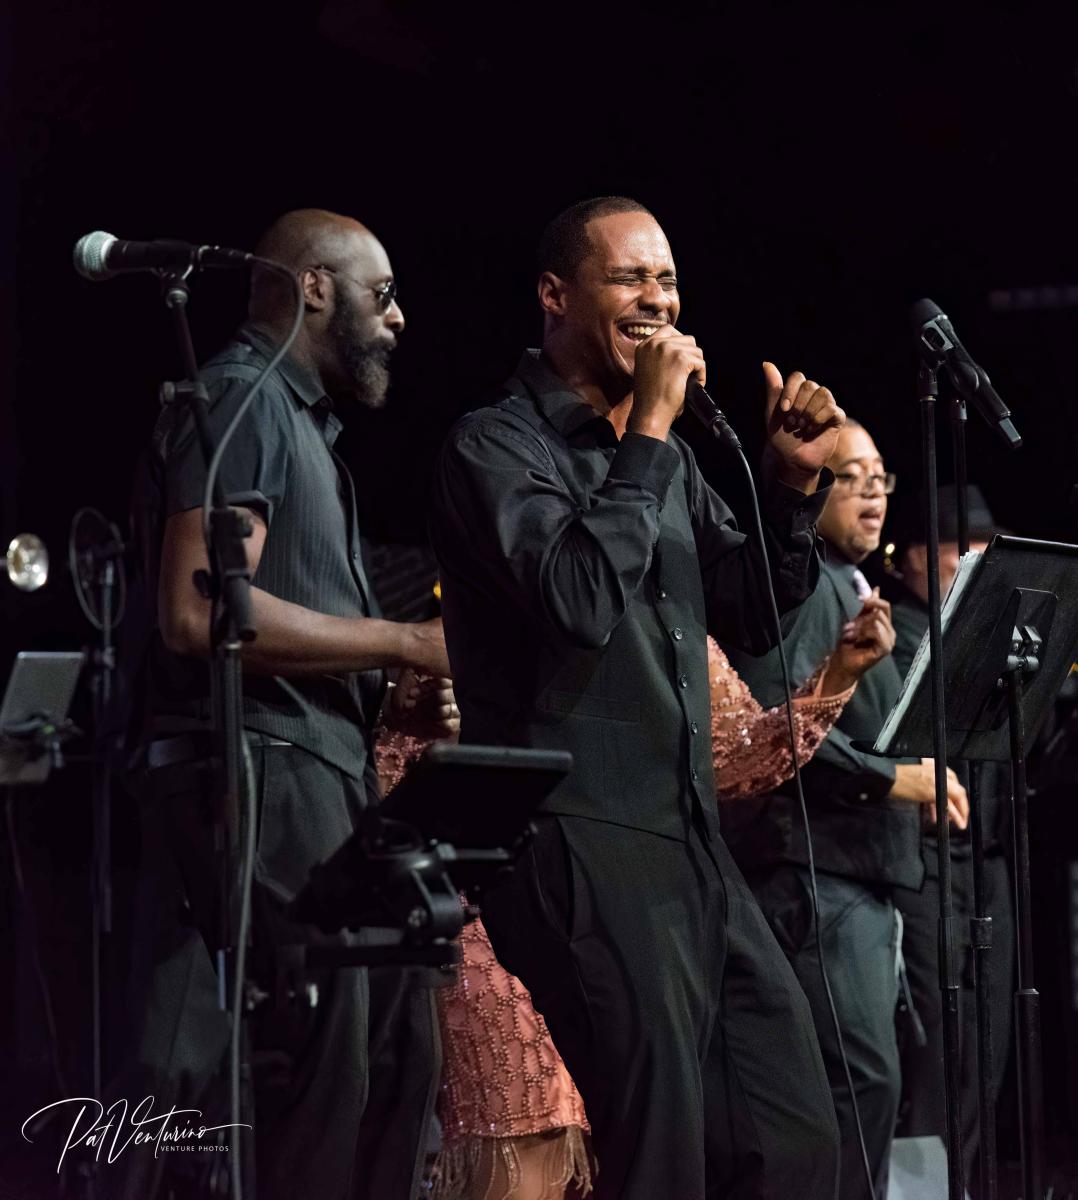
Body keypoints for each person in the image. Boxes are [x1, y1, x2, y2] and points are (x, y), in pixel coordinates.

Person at [429, 194, 846, 1200]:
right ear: (554, 295)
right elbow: (577, 600)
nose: (658, 300)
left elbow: (752, 613)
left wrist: (790, 491)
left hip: (686, 835)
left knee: (792, 1132)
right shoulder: (494, 447)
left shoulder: (662, 462)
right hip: (575, 833)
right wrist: (651, 430)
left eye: (667, 280)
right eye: (629, 278)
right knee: (660, 1144)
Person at [119, 208, 454, 1200]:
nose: (399, 318)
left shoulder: (297, 423)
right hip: (266, 769)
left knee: (397, 1045)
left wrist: (388, 690)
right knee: (324, 1064)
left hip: (318, 774)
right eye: (381, 294)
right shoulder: (243, 397)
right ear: (314, 287)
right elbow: (198, 614)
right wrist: (401, 640)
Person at [378, 610, 894, 1200]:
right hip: (501, 914)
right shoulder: (501, 594)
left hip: (639, 924)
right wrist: (406, 713)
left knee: (638, 1151)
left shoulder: (666, 615)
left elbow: (734, 752)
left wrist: (838, 672)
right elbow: (395, 778)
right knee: (532, 1148)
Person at [721, 419, 971, 1200]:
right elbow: (775, 724)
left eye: (879, 477)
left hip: (854, 872)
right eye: (850, 477)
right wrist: (891, 781)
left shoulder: (853, 585)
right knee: (856, 1083)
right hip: (814, 871)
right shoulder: (804, 587)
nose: (871, 494)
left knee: (867, 1083)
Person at [887, 483, 1015, 1194]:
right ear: (912, 557)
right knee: (934, 1052)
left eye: (986, 551)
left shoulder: (987, 638)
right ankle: (923, 1190)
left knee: (986, 1054)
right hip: (925, 867)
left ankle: (962, 1187)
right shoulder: (899, 632)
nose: (976, 563)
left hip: (986, 863)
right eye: (957, 550)